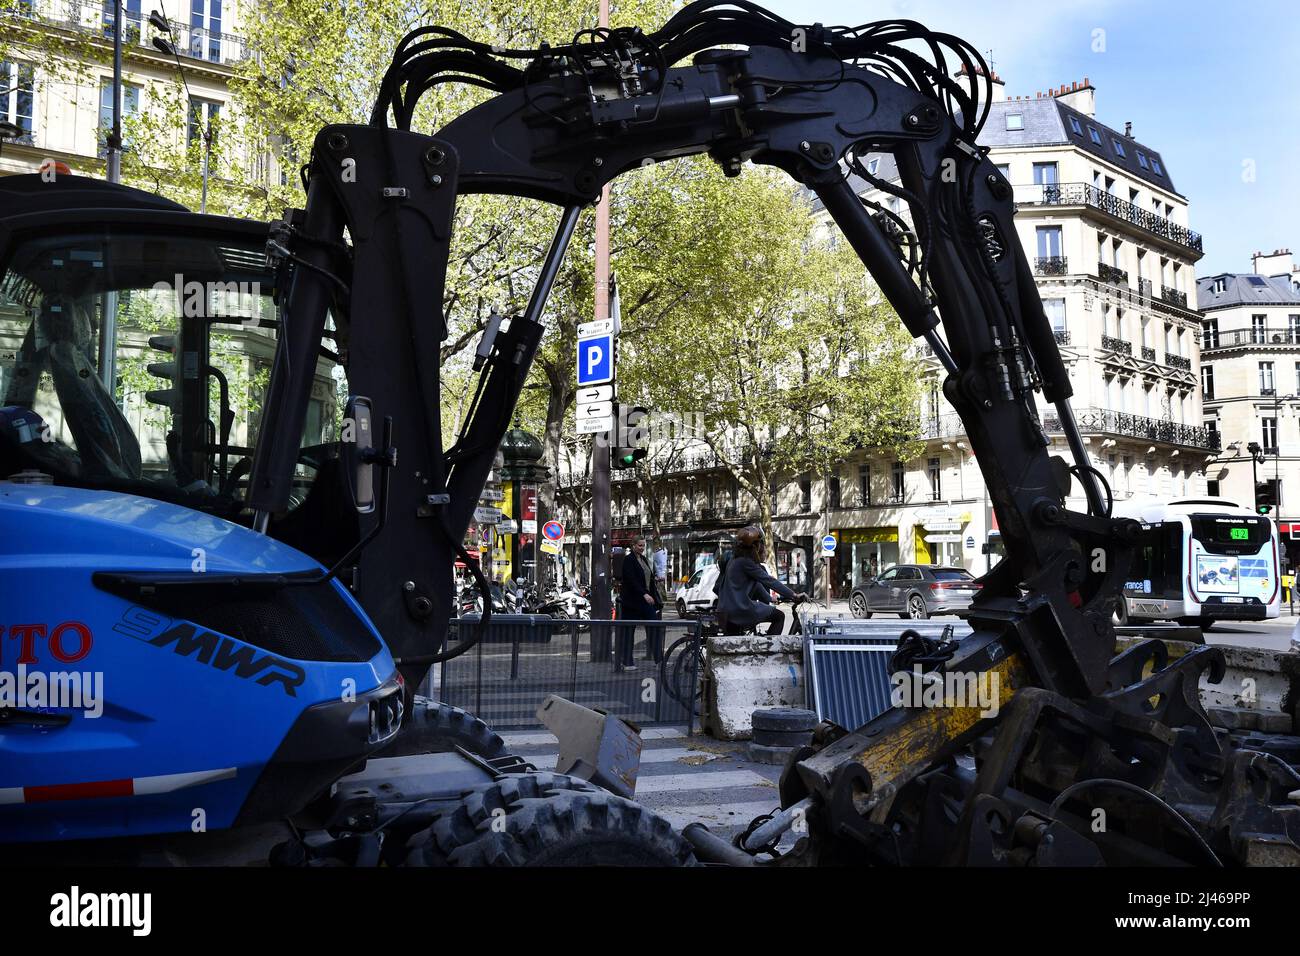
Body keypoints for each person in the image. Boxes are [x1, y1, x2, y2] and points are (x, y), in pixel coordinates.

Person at [717, 525, 807, 635]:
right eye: (760, 543)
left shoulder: (734, 560)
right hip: (739, 609)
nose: (762, 547)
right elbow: (769, 581)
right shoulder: (747, 562)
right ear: (755, 546)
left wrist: (769, 598)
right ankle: (769, 650)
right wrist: (793, 595)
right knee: (779, 616)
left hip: (726, 610)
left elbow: (757, 585)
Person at [617, 535, 663, 667]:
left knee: (654, 627)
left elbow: (646, 578)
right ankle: (627, 662)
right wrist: (644, 594)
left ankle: (659, 661)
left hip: (645, 600)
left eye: (643, 545)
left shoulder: (643, 560)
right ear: (633, 546)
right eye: (640, 545)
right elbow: (631, 580)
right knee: (629, 633)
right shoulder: (628, 560)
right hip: (632, 601)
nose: (642, 548)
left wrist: (656, 581)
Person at [652, 539, 669, 603]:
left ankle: (661, 599)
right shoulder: (660, 553)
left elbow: (661, 564)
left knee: (660, 588)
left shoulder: (660, 553)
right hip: (659, 575)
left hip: (659, 576)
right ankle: (661, 599)